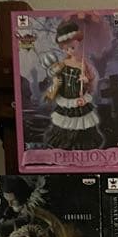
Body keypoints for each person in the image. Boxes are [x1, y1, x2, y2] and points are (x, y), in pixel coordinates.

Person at [43, 18, 103, 150]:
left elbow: (91, 80)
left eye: (72, 47)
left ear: (79, 44)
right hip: (66, 98)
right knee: (64, 123)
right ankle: (64, 144)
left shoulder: (84, 64)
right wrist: (55, 80)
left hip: (78, 98)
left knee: (81, 123)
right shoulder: (63, 63)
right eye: (66, 49)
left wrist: (85, 80)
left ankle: (81, 145)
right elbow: (53, 73)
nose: (70, 51)